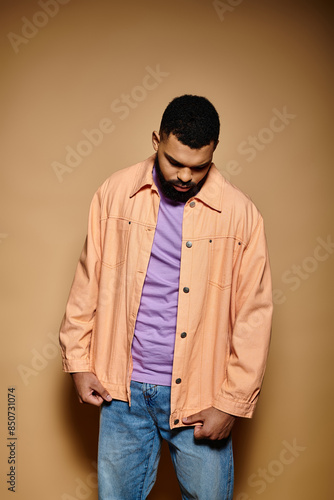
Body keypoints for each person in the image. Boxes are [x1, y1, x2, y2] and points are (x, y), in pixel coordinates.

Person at [59, 95, 273, 500]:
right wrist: (79, 360)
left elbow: (254, 315)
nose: (185, 177)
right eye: (174, 162)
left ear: (214, 153)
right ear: (156, 140)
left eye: (198, 166)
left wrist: (231, 403)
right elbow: (87, 279)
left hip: (200, 395)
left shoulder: (241, 215)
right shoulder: (115, 193)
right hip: (120, 388)